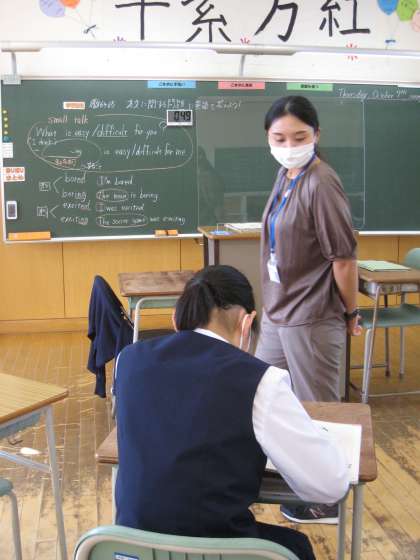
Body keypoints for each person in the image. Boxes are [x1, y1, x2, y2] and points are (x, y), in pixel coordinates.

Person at [114, 265, 350, 560]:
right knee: (295, 547)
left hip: (133, 548)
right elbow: (330, 486)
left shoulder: (127, 361)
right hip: (214, 551)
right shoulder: (260, 380)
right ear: (246, 323)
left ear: (176, 319)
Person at [256, 95, 361, 405]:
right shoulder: (284, 174)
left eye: (300, 137)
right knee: (265, 399)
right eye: (280, 139)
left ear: (316, 134)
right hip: (277, 310)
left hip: (310, 316)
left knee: (318, 411)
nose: (289, 147)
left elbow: (343, 259)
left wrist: (351, 312)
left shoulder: (322, 183)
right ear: (268, 137)